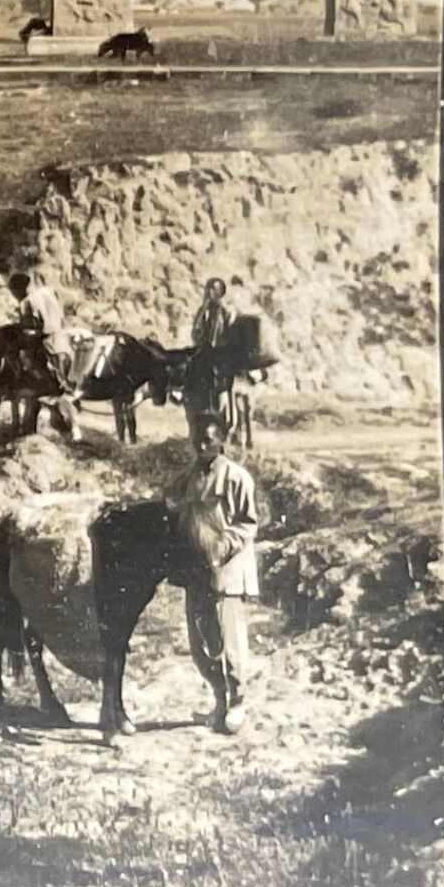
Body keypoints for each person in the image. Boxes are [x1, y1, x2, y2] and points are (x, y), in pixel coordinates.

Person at [186, 426, 269, 734]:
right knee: (200, 641)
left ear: (221, 440)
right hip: (196, 568)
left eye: (208, 439)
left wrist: (220, 547)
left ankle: (237, 702)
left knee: (228, 641)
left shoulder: (236, 477)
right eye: (198, 439)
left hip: (225, 567)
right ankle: (219, 699)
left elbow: (247, 524)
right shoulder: (191, 475)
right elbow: (173, 500)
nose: (202, 444)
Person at [184, 275, 239, 445]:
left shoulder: (227, 311)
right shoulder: (203, 311)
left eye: (213, 289)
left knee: (222, 391)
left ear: (220, 292)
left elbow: (229, 335)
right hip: (205, 353)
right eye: (208, 289)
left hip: (221, 355)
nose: (209, 292)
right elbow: (196, 333)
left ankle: (226, 428)